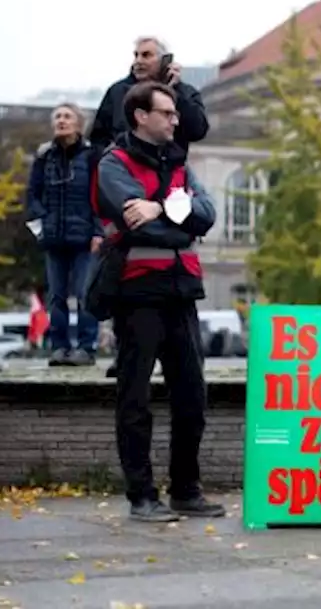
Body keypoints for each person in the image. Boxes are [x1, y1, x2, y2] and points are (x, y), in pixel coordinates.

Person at [94, 80, 222, 521]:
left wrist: (160, 208)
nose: (175, 119)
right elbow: (137, 225)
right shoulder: (114, 163)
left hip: (181, 291)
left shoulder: (181, 163)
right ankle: (142, 496)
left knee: (192, 396)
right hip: (137, 293)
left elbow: (207, 214)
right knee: (135, 398)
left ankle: (186, 490)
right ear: (140, 116)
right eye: (166, 113)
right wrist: (176, 215)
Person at [25, 103, 102, 366]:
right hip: (54, 236)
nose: (61, 121)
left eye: (67, 116)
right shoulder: (44, 157)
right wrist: (41, 221)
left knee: (84, 293)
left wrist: (99, 232)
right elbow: (32, 195)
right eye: (57, 116)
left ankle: (86, 346)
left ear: (78, 123)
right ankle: (58, 347)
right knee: (56, 295)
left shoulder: (93, 157)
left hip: (85, 238)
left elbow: (99, 197)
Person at [90, 36, 210, 154]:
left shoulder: (185, 93)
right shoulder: (117, 91)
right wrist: (109, 158)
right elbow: (98, 136)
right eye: (136, 55)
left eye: (146, 55)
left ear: (164, 60)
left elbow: (198, 131)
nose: (138, 61)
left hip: (168, 168)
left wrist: (176, 91)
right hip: (123, 168)